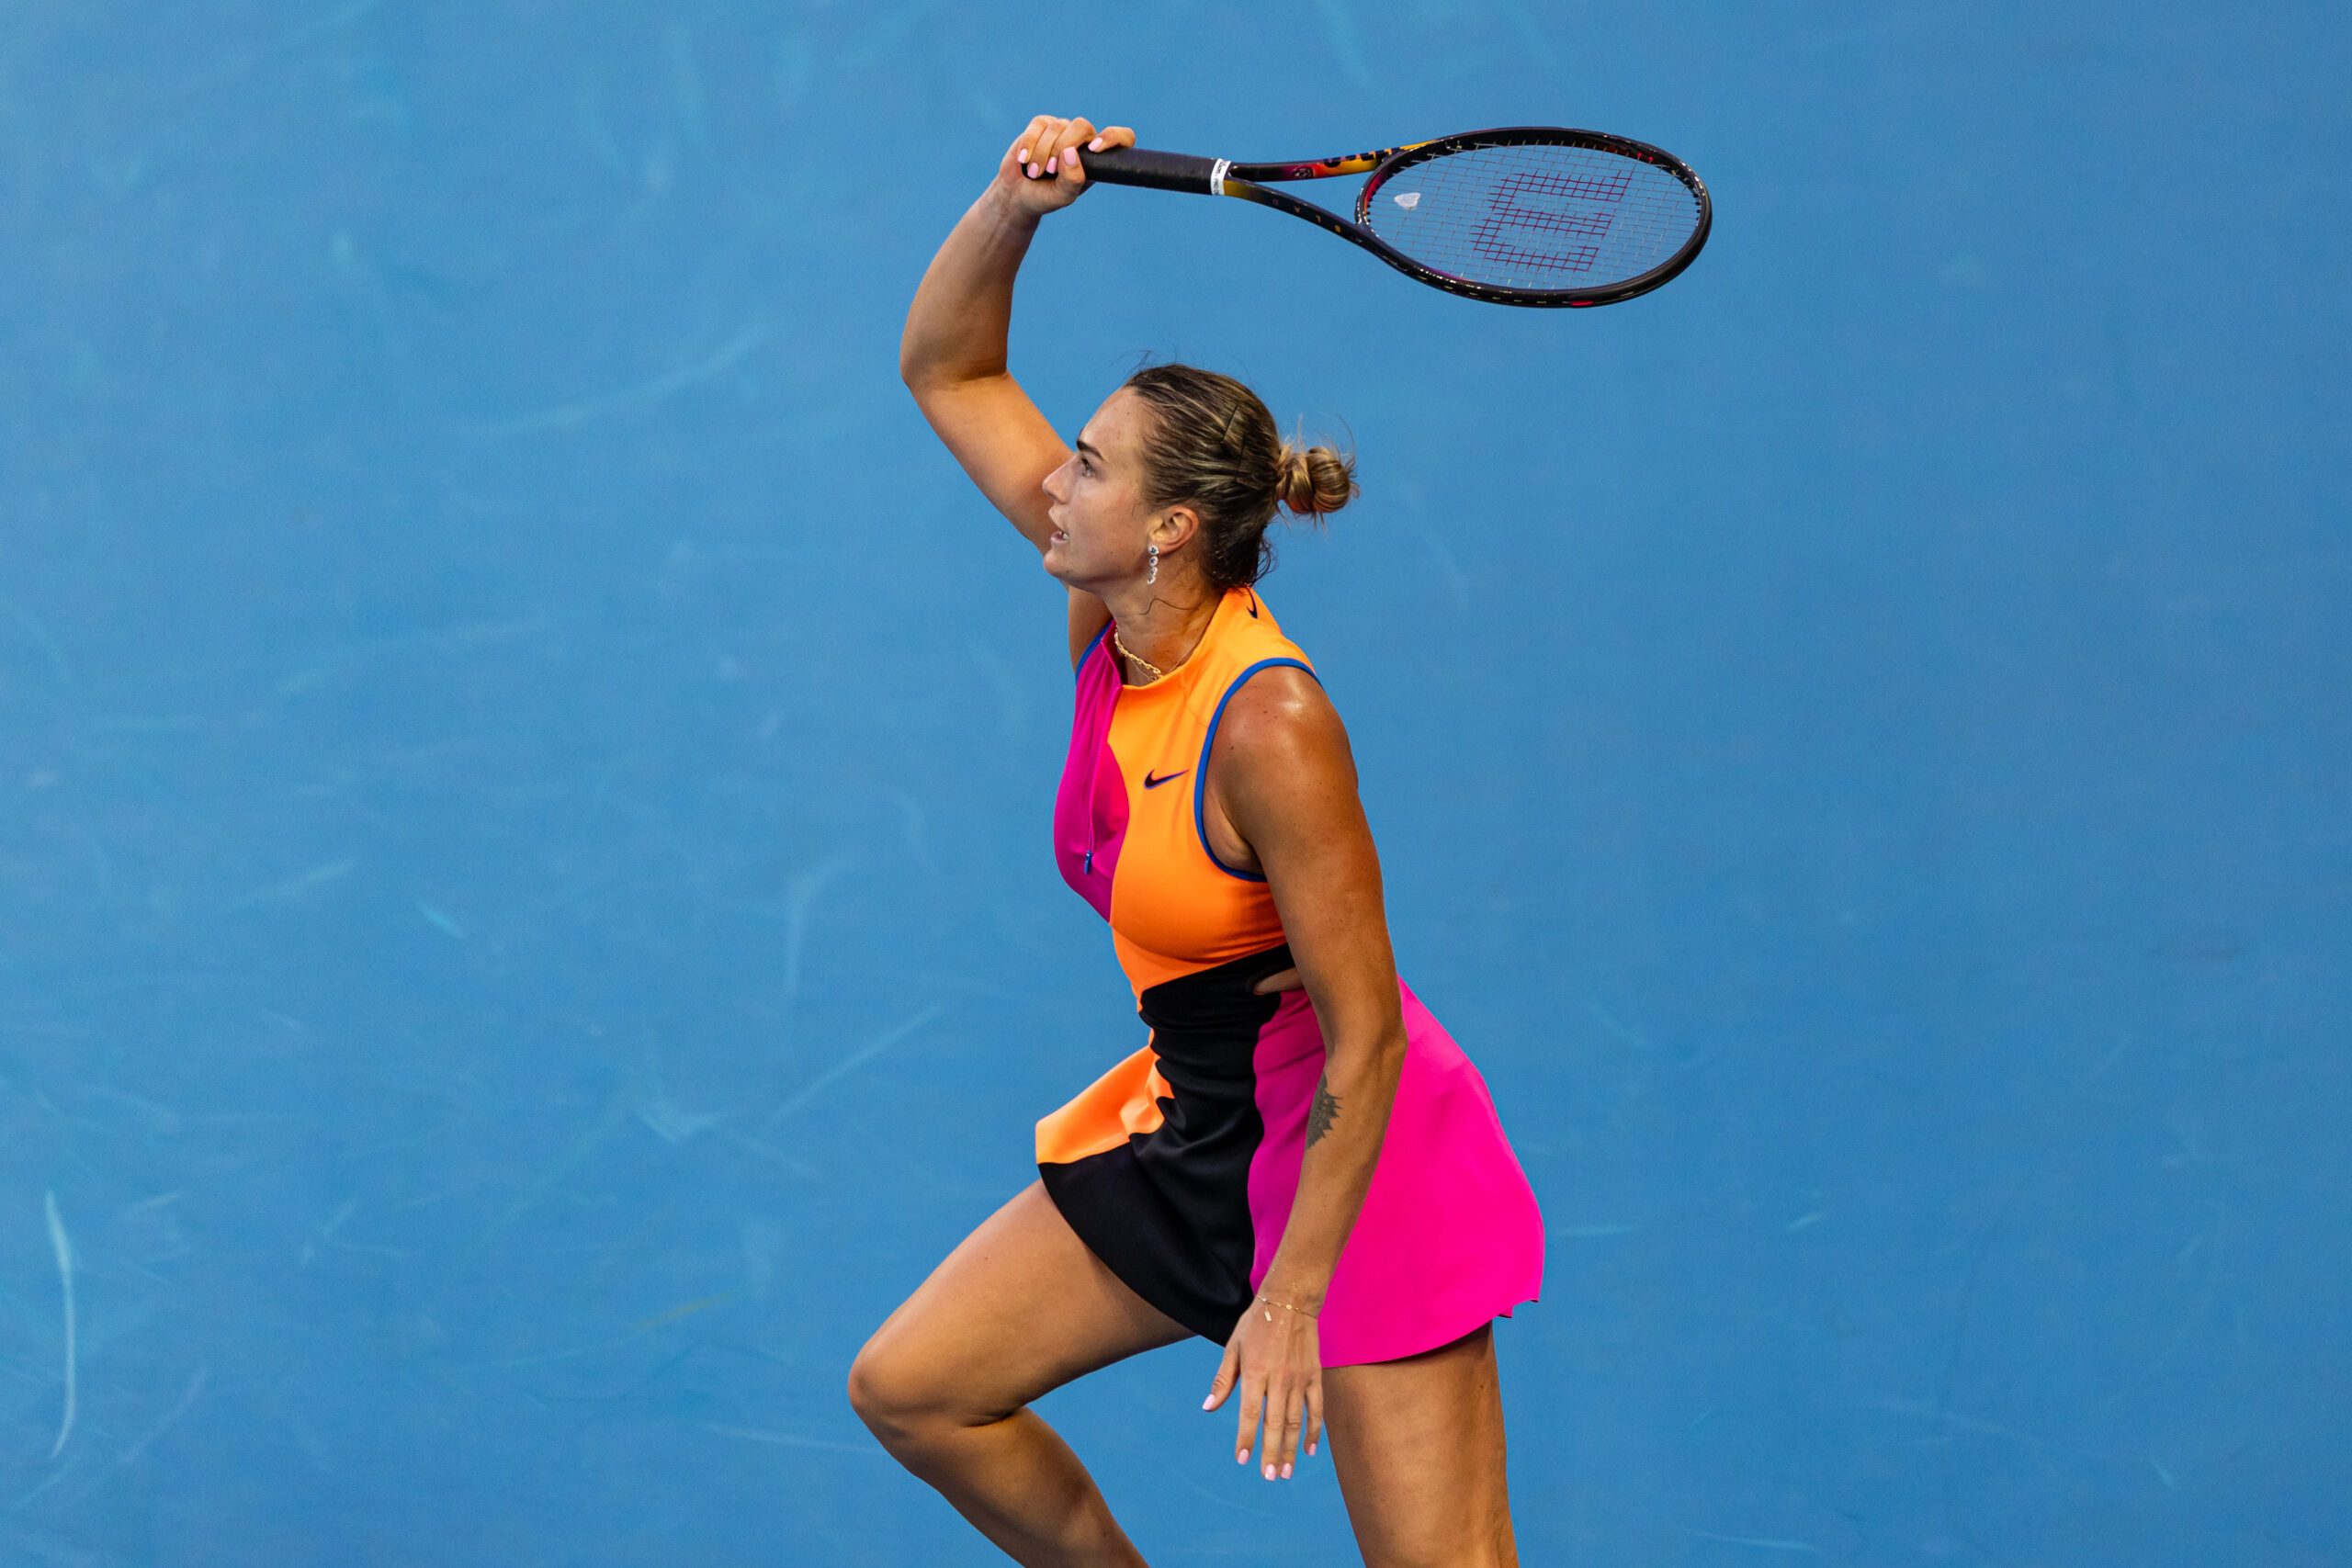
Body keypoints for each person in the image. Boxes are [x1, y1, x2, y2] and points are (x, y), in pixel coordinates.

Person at [849, 112, 1546, 1568]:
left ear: (1169, 527)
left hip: (1355, 1162)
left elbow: (1370, 1041)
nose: (1056, 479)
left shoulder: (1270, 724)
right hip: (1200, 1122)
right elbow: (948, 369)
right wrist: (1014, 206)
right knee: (918, 1391)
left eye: (1088, 466)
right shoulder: (1111, 614)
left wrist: (1292, 1295)